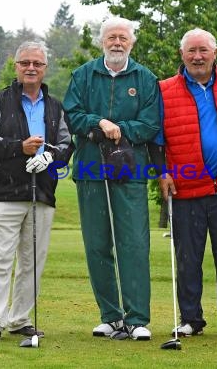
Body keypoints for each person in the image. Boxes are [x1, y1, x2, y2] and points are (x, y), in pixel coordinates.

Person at [62, 17, 160, 341]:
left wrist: (119, 131)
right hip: (90, 169)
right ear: (102, 41)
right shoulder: (84, 74)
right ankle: (111, 316)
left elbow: (150, 123)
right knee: (97, 244)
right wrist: (99, 123)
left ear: (132, 42)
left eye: (123, 38)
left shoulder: (145, 78)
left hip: (130, 171)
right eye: (111, 37)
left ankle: (137, 319)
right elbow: (72, 115)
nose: (117, 42)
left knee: (133, 243)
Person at [151, 28, 217, 339]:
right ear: (181, 55)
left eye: (203, 50)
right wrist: (161, 173)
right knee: (188, 260)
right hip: (186, 189)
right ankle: (191, 319)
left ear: (215, 53)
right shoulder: (164, 89)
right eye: (191, 51)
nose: (197, 56)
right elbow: (156, 139)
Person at [0, 41, 73, 342]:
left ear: (45, 69)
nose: (31, 68)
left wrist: (50, 157)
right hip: (4, 193)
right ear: (16, 66)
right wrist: (20, 148)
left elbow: (68, 144)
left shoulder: (55, 106)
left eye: (37, 64)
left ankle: (20, 320)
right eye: (25, 63)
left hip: (41, 194)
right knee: (1, 261)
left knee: (32, 262)